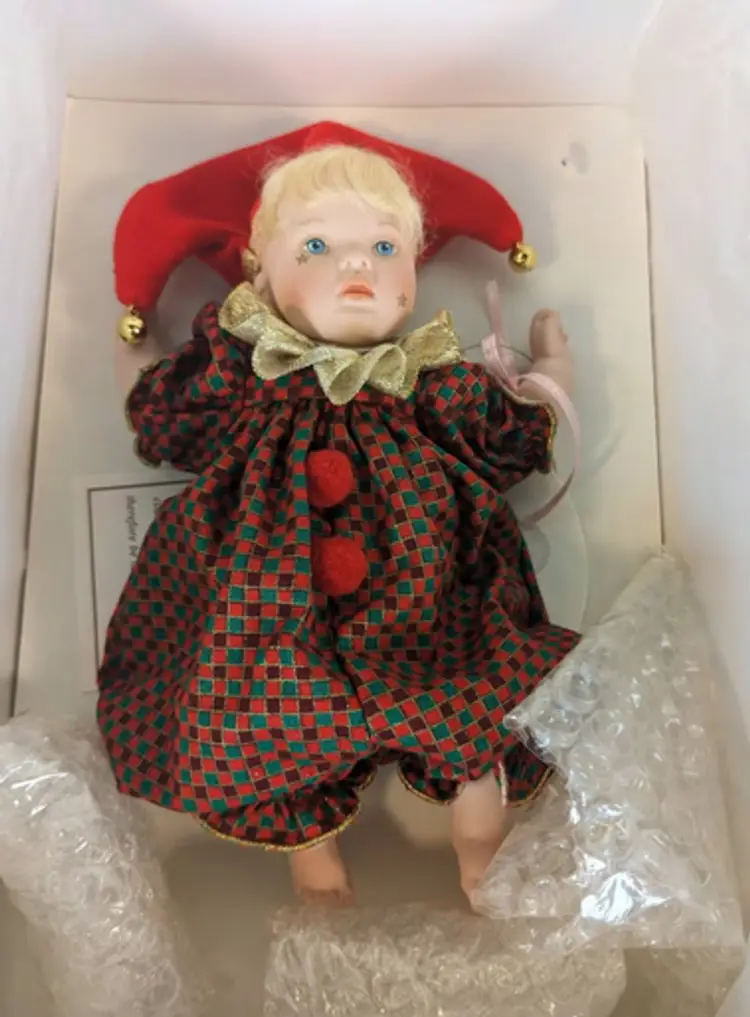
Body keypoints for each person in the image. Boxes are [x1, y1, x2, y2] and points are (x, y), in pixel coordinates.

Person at [99, 121, 578, 906]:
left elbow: (508, 431)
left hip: (421, 594)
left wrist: (549, 370)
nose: (358, 263)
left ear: (412, 275)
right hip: (271, 596)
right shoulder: (244, 376)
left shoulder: (424, 380)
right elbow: (167, 408)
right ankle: (312, 858)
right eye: (317, 246)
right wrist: (135, 352)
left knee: (473, 680)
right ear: (260, 272)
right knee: (256, 703)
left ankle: (478, 838)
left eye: (385, 247)